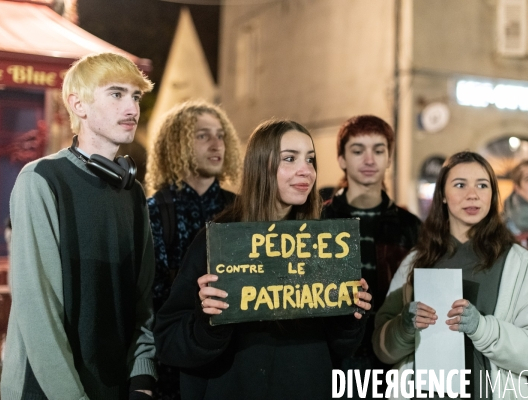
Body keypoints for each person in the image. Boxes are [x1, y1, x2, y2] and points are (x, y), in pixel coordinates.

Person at [154, 119, 372, 400]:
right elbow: (169, 341)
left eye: (310, 159)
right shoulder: (218, 242)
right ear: (261, 165)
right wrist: (207, 320)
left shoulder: (327, 244)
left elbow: (341, 347)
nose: (306, 170)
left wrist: (350, 315)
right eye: (290, 159)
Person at [1, 53, 157, 400]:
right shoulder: (41, 179)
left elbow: (141, 302)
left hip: (116, 388)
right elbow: (37, 309)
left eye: (136, 97)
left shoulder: (132, 193)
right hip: (46, 391)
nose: (132, 109)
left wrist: (142, 378)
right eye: (117, 94)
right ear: (78, 104)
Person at [373, 151, 528, 400]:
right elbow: (382, 349)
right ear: (442, 195)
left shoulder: (518, 263)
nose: (472, 194)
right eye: (460, 184)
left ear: (492, 195)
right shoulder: (415, 262)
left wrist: (482, 328)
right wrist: (405, 326)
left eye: (482, 185)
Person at [145, 100, 241, 399]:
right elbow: (150, 302)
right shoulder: (155, 211)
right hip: (174, 370)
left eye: (220, 134)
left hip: (233, 363)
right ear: (178, 144)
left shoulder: (242, 209)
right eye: (202, 135)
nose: (216, 143)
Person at [321, 115, 420, 397]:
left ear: (389, 157)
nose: (369, 159)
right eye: (357, 150)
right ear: (341, 158)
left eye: (378, 150)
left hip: (393, 357)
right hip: (333, 357)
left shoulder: (411, 227)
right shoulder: (319, 221)